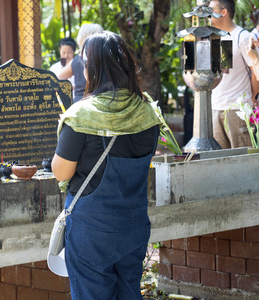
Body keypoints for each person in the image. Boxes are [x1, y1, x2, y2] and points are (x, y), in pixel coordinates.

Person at [51, 31, 161, 299]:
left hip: (92, 228)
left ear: (93, 69)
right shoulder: (147, 112)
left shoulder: (81, 115)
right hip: (134, 224)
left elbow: (61, 171)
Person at [209, 0, 257, 148]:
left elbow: (256, 70)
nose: (207, 14)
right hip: (216, 108)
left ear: (223, 12)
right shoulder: (215, 37)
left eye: (211, 10)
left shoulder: (242, 36)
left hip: (238, 110)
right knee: (219, 162)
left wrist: (253, 96)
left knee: (243, 162)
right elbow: (224, 69)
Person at [57, 23, 103, 103]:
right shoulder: (104, 57)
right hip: (99, 102)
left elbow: (57, 79)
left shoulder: (77, 59)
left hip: (79, 104)